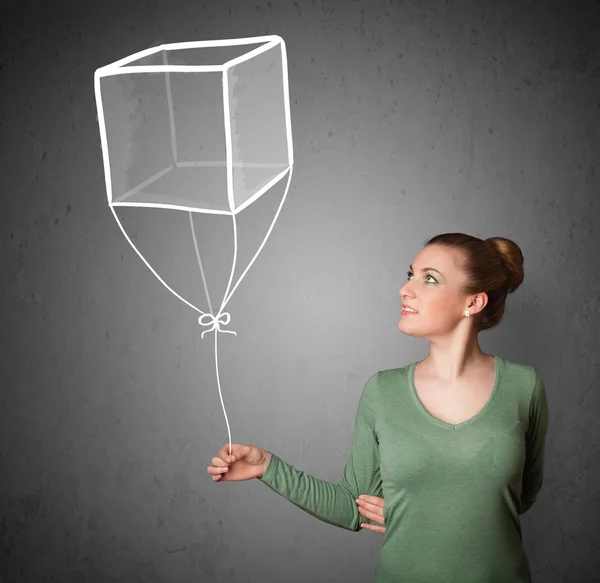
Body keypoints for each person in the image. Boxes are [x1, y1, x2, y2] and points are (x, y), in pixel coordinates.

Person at [207, 232, 549, 583]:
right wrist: (267, 467)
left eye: (429, 279)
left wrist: (415, 514)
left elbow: (518, 498)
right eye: (410, 275)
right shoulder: (383, 392)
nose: (405, 289)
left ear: (473, 303)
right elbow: (351, 508)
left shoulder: (524, 387)